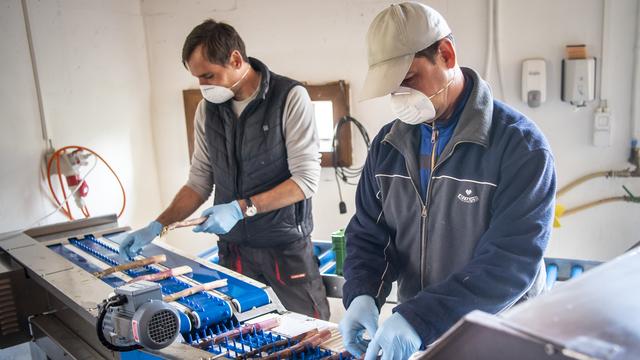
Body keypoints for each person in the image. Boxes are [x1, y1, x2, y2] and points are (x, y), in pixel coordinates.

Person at [339, 3, 556, 359]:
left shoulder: (520, 147)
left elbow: (510, 262)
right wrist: (362, 292)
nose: (401, 98)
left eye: (408, 80)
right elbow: (368, 234)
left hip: (500, 339)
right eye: (391, 88)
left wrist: (419, 319)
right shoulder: (387, 147)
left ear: (446, 54)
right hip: (422, 338)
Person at [119, 19, 330, 320]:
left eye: (208, 75)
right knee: (244, 335)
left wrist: (242, 208)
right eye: (198, 79)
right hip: (234, 253)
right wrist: (157, 226)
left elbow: (305, 181)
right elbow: (199, 182)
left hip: (285, 252)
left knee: (310, 336)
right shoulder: (208, 110)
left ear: (235, 59)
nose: (204, 86)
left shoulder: (289, 98)